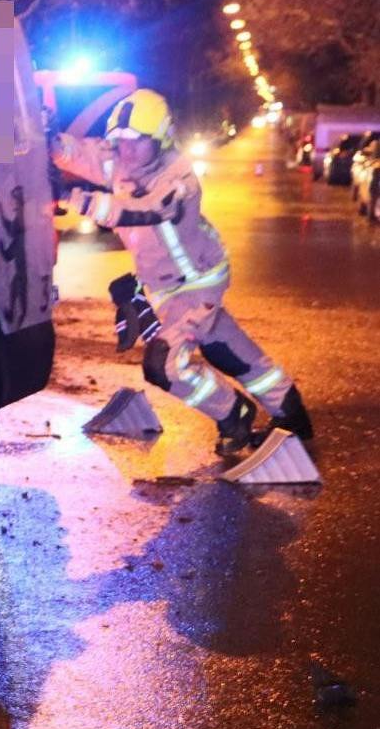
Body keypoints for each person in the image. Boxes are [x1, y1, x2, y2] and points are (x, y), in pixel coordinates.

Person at [53, 88, 313, 454]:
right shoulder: (121, 159)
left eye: (137, 141)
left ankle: (233, 415)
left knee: (164, 366)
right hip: (166, 284)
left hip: (197, 283)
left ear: (160, 138)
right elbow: (78, 153)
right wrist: (47, 141)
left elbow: (139, 210)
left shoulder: (178, 179)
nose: (126, 150)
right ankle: (290, 410)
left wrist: (71, 198)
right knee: (223, 347)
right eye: (121, 140)